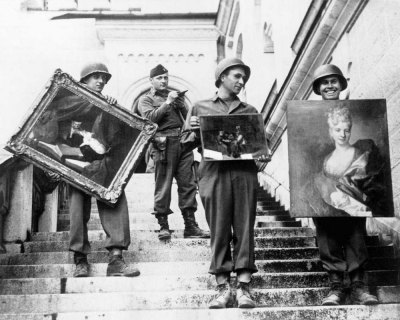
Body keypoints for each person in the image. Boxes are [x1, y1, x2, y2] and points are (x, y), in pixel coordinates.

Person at [186, 58, 270, 309]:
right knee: (219, 229)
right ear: (222, 77)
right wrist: (192, 131)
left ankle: (244, 287)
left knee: (244, 227)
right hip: (213, 173)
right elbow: (184, 144)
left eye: (243, 78)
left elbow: (260, 145)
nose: (241, 81)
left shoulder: (250, 110)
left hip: (244, 173)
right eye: (236, 76)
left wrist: (263, 153)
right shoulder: (200, 107)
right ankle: (223, 288)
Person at [311, 64, 378, 305]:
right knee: (327, 239)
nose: (329, 86)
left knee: (356, 237)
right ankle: (336, 287)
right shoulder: (308, 120)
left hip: (353, 200)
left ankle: (359, 286)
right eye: (324, 82)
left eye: (334, 81)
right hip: (324, 198)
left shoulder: (360, 149)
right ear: (318, 88)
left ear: (341, 84)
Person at [66, 62, 140, 277]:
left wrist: (113, 111)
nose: (100, 81)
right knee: (77, 211)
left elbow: (123, 137)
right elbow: (55, 137)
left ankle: (116, 259)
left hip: (105, 165)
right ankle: (80, 259)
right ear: (83, 81)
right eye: (95, 77)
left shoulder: (109, 107)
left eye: (103, 78)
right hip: (76, 165)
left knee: (115, 202)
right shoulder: (69, 105)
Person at [138, 64, 210, 241]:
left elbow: (187, 120)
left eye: (165, 78)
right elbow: (149, 120)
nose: (163, 81)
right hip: (163, 144)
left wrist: (183, 107)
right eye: (159, 78)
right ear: (151, 81)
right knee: (163, 185)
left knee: (188, 184)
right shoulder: (145, 99)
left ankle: (190, 226)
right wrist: (168, 103)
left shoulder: (175, 98)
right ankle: (163, 225)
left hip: (183, 144)